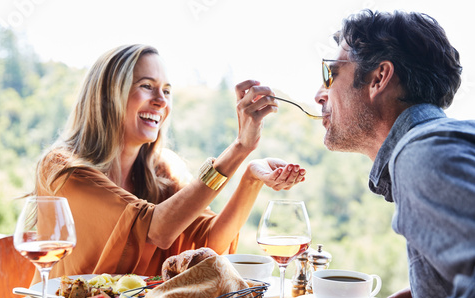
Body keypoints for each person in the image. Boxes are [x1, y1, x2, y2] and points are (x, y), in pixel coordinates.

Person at [32, 44, 306, 282]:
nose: (161, 101)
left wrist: (250, 179)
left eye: (166, 90)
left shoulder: (163, 170)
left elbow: (210, 242)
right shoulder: (62, 170)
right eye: (146, 86)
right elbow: (156, 230)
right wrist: (238, 149)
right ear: (107, 96)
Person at [314, 10, 474, 298]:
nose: (319, 94)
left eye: (330, 74)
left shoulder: (422, 156)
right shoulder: (441, 146)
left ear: (378, 78)